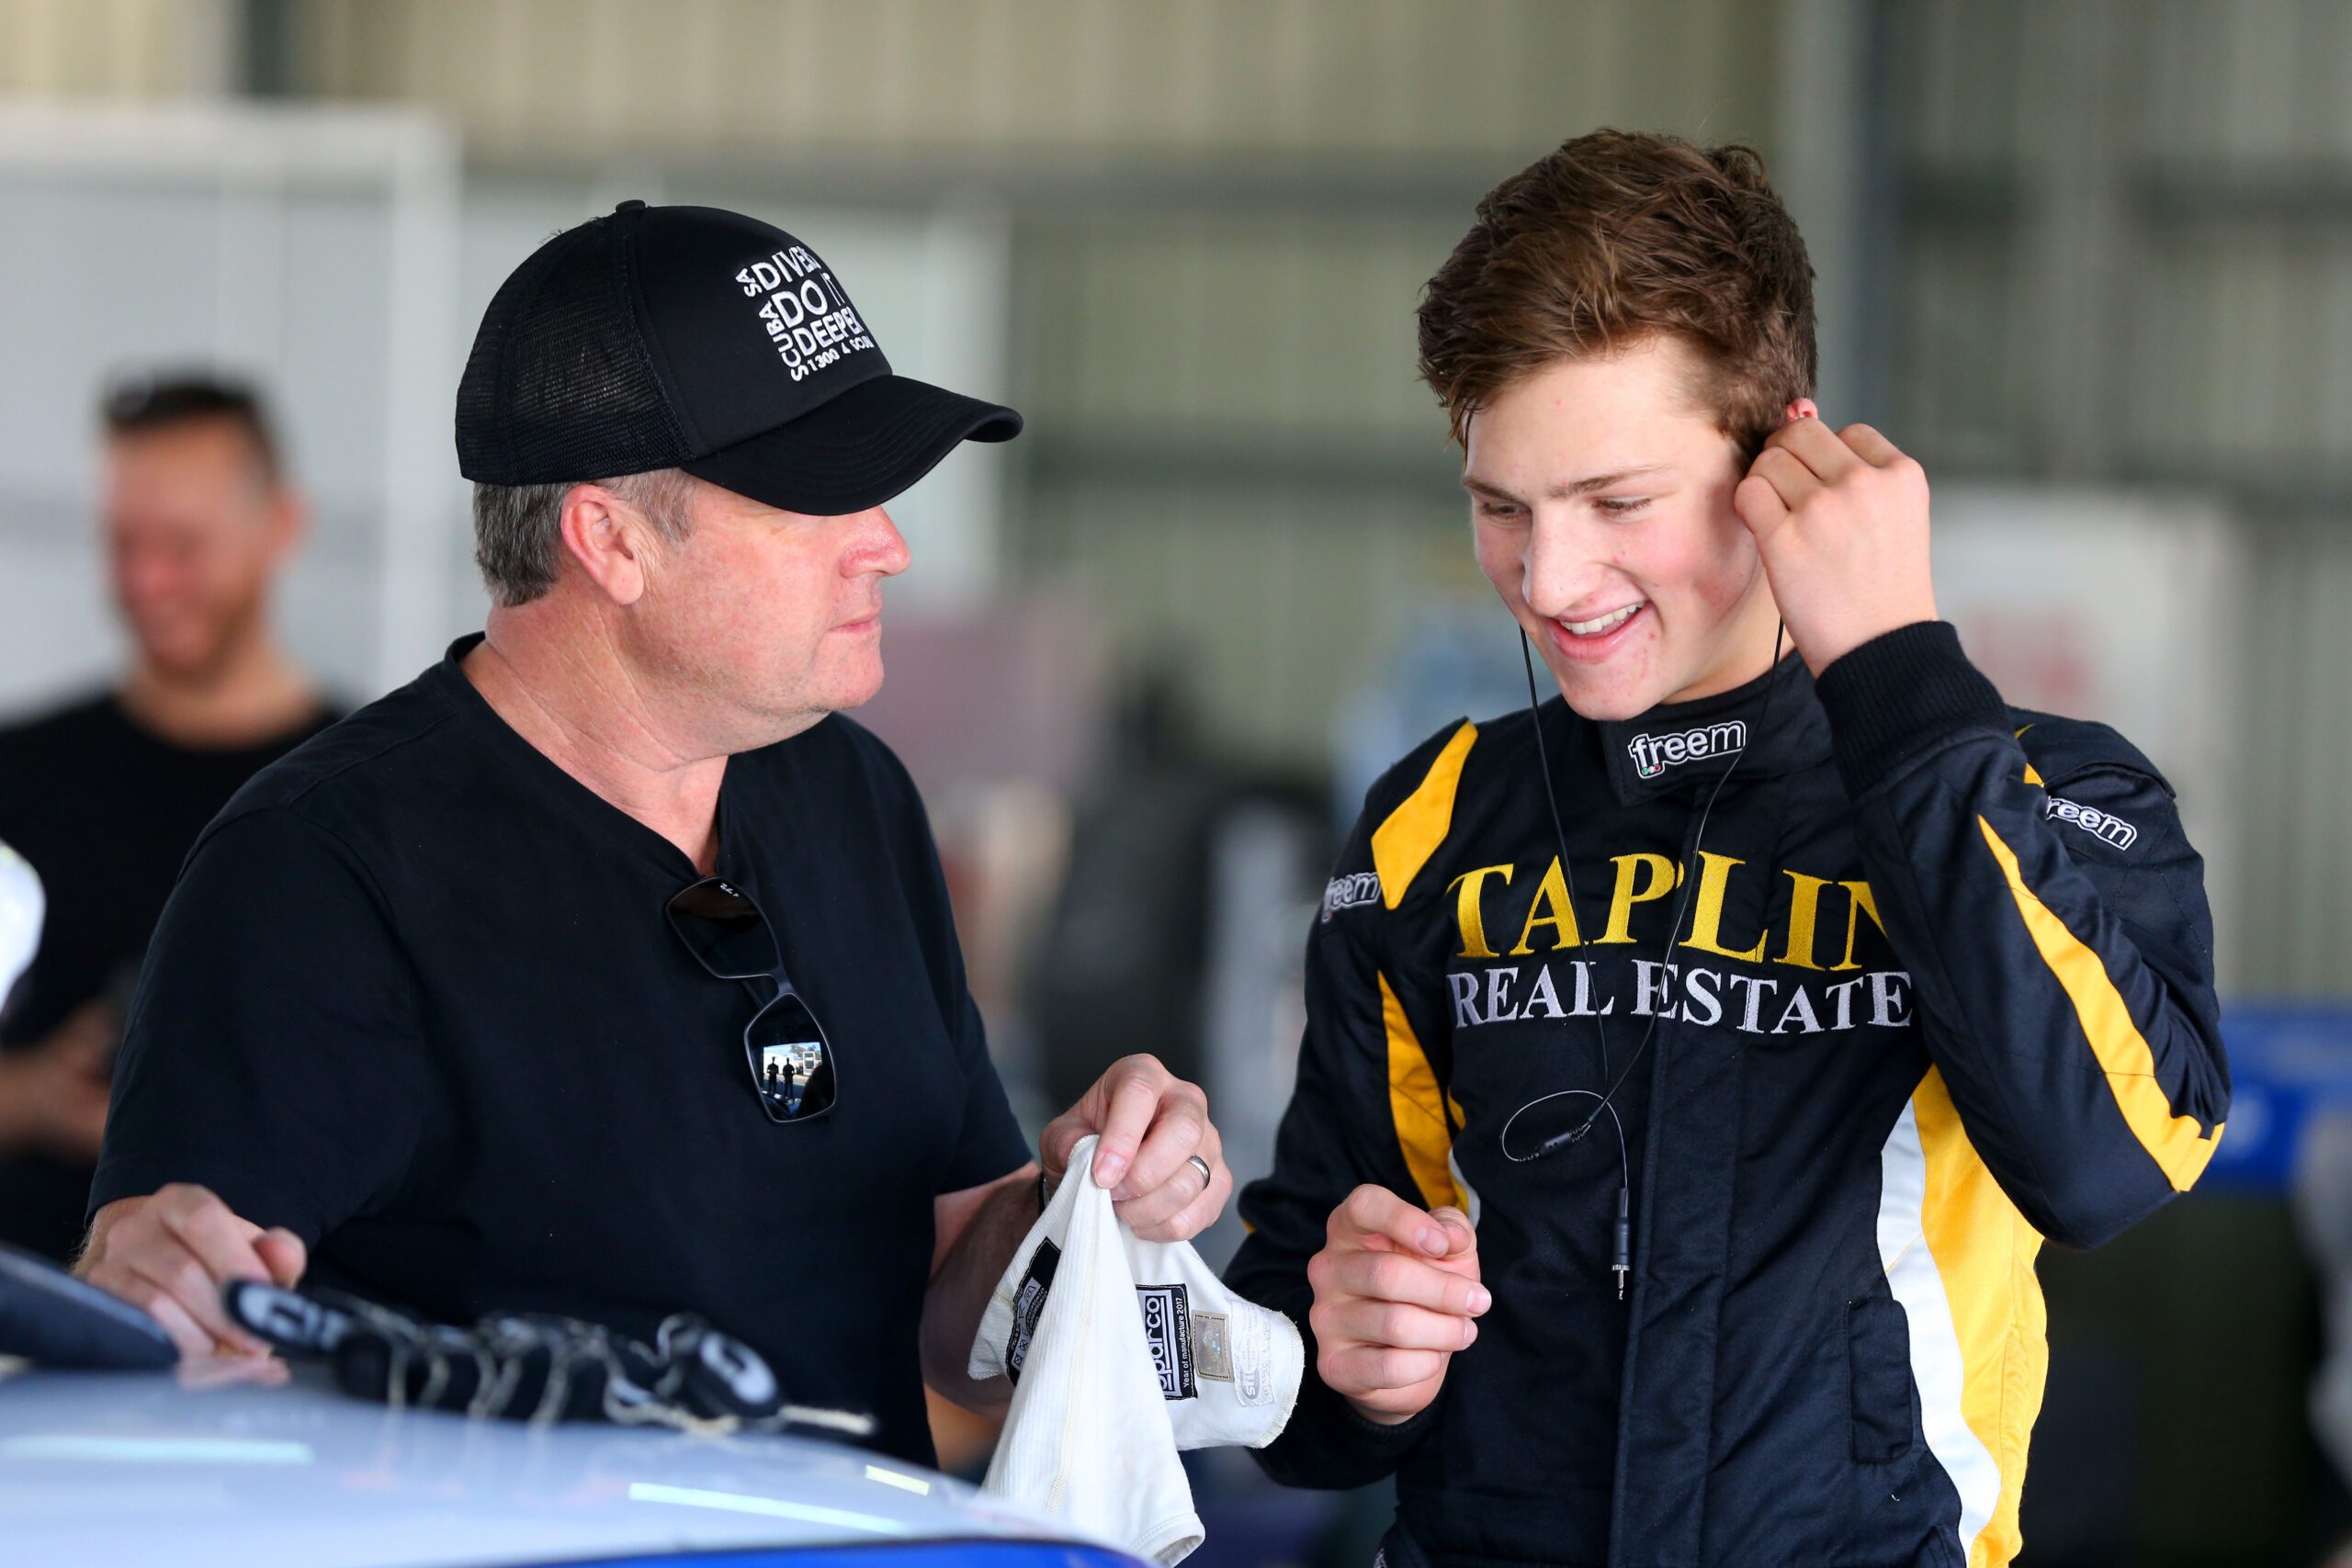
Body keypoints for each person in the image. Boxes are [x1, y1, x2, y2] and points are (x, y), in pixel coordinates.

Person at [74, 201, 1232, 1469]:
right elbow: (176, 1345)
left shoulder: (854, 797)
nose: (889, 546)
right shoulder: (321, 872)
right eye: (819, 498)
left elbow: (957, 1323)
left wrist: (1082, 1196)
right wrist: (152, 1287)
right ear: (609, 538)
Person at [1224, 131, 2230, 1568]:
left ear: (1786, 459)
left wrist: (1893, 674)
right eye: (1501, 506)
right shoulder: (1430, 823)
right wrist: (1349, 1359)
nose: (1549, 582)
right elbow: (1301, 1369)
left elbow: (2110, 1159)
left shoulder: (2038, 786)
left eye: (1617, 503)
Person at [0, 375, 335, 1262]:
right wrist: (32, 1094)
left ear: (281, 528)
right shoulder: (18, 773)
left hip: (280, 1321)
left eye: (184, 544)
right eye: (123, 542)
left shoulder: (372, 793)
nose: (146, 580)